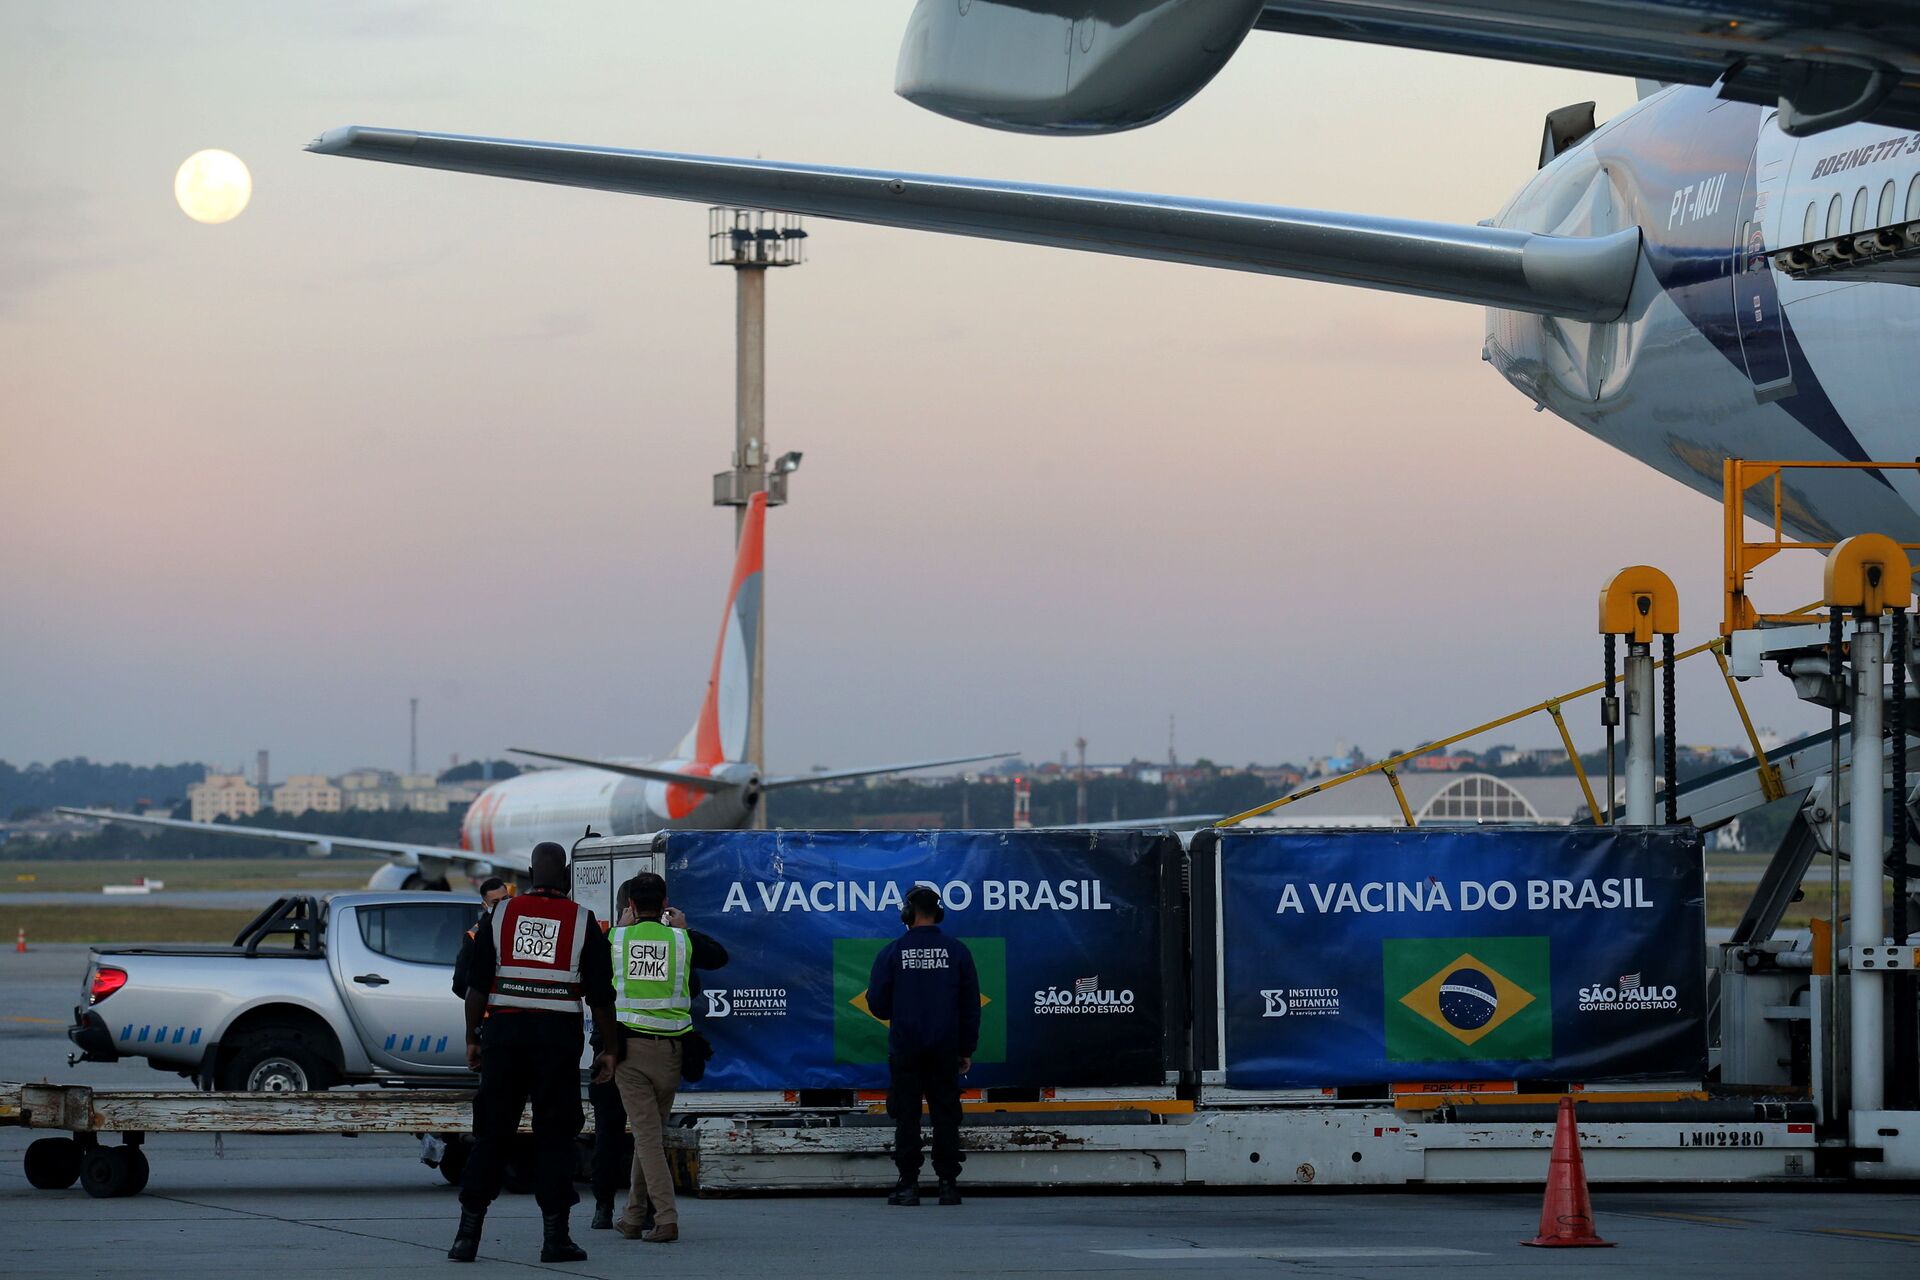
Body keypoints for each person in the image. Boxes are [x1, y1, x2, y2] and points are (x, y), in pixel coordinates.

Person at [449, 843, 615, 1265]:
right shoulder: (583, 921)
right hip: (556, 1040)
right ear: (566, 875)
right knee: (555, 1136)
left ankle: (466, 1238)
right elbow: (601, 997)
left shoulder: (500, 914)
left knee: (492, 1132)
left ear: (527, 872)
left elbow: (476, 986)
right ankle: (555, 1239)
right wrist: (610, 1049)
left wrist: (473, 1037)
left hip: (504, 1035)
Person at [598, 871, 727, 1243]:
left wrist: (621, 928)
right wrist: (685, 928)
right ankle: (635, 1216)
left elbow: (594, 974)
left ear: (632, 905)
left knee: (648, 1137)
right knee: (648, 1132)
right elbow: (720, 956)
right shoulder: (681, 940)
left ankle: (666, 1218)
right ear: (665, 903)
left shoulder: (617, 939)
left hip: (631, 1052)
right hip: (672, 1051)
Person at [866, 885, 978, 1207]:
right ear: (938, 912)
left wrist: (902, 1009)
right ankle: (947, 1185)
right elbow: (970, 1005)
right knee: (946, 1114)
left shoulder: (892, 952)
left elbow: (877, 1003)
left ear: (907, 913)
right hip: (946, 1048)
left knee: (907, 1116)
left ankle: (908, 1185)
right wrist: (966, 1048)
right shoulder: (957, 951)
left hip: (906, 1048)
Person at [450, 877, 512, 1000]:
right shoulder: (474, 936)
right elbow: (460, 983)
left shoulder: (520, 926)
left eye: (505, 899)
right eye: (495, 902)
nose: (502, 905)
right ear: (484, 905)